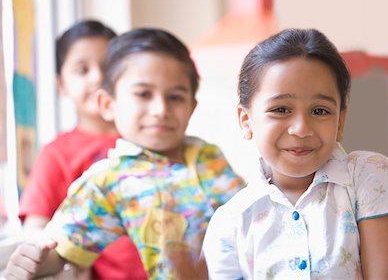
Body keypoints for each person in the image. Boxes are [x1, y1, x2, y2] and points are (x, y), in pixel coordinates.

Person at [202, 28, 388, 279]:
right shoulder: (230, 222)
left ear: (340, 122)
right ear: (246, 121)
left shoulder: (371, 177)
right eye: (281, 109)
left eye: (319, 111)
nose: (301, 129)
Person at [5, 28, 244, 280]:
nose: (160, 109)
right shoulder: (108, 179)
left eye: (175, 97)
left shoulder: (209, 155)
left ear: (191, 107)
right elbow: (64, 249)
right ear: (108, 104)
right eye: (143, 94)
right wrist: (36, 262)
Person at [17, 20, 147, 279]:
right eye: (81, 69)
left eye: (107, 66)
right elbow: (36, 230)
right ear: (61, 85)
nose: (98, 76)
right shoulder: (57, 154)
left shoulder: (151, 141)